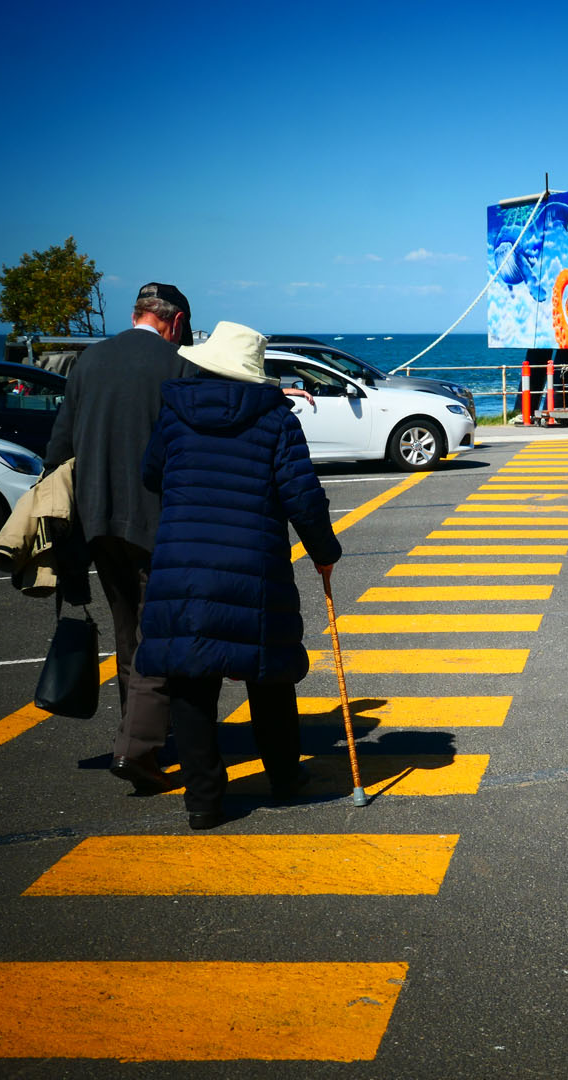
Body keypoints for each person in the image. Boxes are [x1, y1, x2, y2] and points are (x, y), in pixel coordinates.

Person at [135, 321, 341, 830]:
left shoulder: (175, 414)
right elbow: (302, 496)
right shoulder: (277, 420)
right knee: (267, 674)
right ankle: (286, 778)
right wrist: (324, 551)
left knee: (190, 681)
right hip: (254, 562)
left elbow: (150, 473)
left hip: (183, 562)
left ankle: (204, 802)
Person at [43, 282, 196, 793]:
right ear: (173, 323)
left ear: (136, 315)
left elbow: (59, 446)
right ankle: (138, 749)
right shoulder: (176, 365)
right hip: (156, 520)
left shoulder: (87, 362)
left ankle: (137, 728)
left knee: (127, 629)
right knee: (159, 634)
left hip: (97, 519)